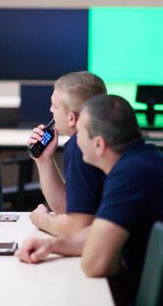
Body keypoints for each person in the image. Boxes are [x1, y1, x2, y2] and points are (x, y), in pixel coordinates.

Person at [16, 95, 163, 305]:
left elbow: (95, 263)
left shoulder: (129, 175)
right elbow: (98, 232)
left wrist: (106, 253)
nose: (74, 141)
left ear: (99, 144)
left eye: (80, 133)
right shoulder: (143, 158)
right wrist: (51, 244)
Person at [28, 71, 106, 236]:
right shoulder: (108, 135)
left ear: (72, 118)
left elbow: (77, 228)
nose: (50, 110)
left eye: (55, 106)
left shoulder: (81, 146)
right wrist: (44, 160)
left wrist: (40, 218)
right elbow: (70, 210)